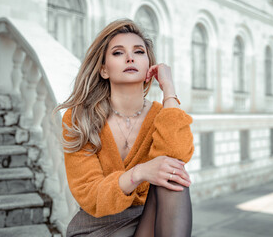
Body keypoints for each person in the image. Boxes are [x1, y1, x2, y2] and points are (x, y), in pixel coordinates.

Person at [54, 19, 195, 237]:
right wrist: (139, 173)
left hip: (150, 219)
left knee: (174, 176)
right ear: (103, 70)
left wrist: (169, 88)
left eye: (139, 52)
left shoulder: (162, 115)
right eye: (118, 53)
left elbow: (176, 158)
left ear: (149, 65)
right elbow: (89, 194)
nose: (130, 58)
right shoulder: (81, 118)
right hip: (100, 225)